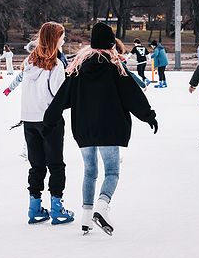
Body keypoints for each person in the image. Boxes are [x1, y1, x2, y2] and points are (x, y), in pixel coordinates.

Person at [43, 23, 157, 236]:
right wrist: (148, 115)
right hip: (109, 127)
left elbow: (61, 97)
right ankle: (102, 207)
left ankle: (86, 217)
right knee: (112, 171)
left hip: (84, 128)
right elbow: (131, 94)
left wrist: (49, 121)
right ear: (111, 43)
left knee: (90, 171)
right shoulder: (115, 67)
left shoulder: (77, 68)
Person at [19, 22, 74, 226]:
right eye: (62, 36)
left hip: (29, 119)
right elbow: (57, 94)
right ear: (54, 38)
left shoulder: (29, 62)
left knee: (36, 165)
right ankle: (57, 208)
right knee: (56, 164)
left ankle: (34, 208)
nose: (64, 39)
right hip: (49, 120)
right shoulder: (56, 65)